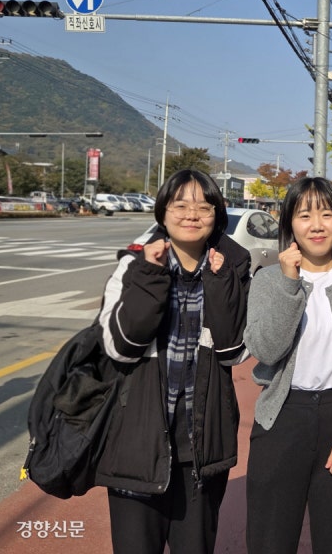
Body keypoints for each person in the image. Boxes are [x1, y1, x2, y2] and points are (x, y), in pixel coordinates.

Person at [95, 169, 251, 553]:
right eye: (180, 205)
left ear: (217, 214)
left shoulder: (232, 267)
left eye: (204, 205)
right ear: (163, 213)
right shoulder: (134, 265)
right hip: (138, 444)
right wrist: (150, 276)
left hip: (202, 446)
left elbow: (234, 351)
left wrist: (219, 283)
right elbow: (121, 347)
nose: (192, 214)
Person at [245, 176, 332, 554]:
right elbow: (266, 349)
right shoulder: (269, 280)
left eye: (326, 213)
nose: (317, 225)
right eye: (304, 215)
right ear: (289, 223)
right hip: (281, 419)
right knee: (269, 540)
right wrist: (290, 285)